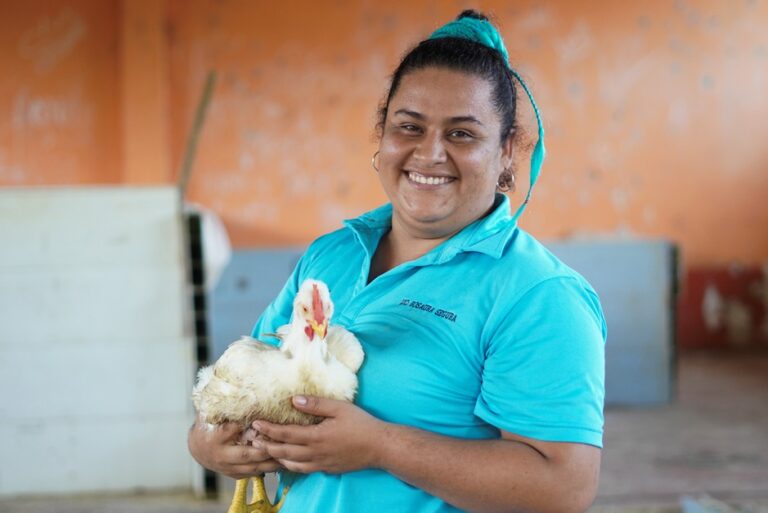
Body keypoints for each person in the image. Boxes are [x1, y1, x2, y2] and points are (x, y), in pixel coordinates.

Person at [189, 10, 606, 513]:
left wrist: (380, 447)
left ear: (506, 151)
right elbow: (249, 381)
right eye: (409, 127)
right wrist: (209, 443)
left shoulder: (538, 294)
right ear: (382, 136)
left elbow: (563, 488)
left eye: (461, 134)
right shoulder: (334, 253)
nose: (429, 154)